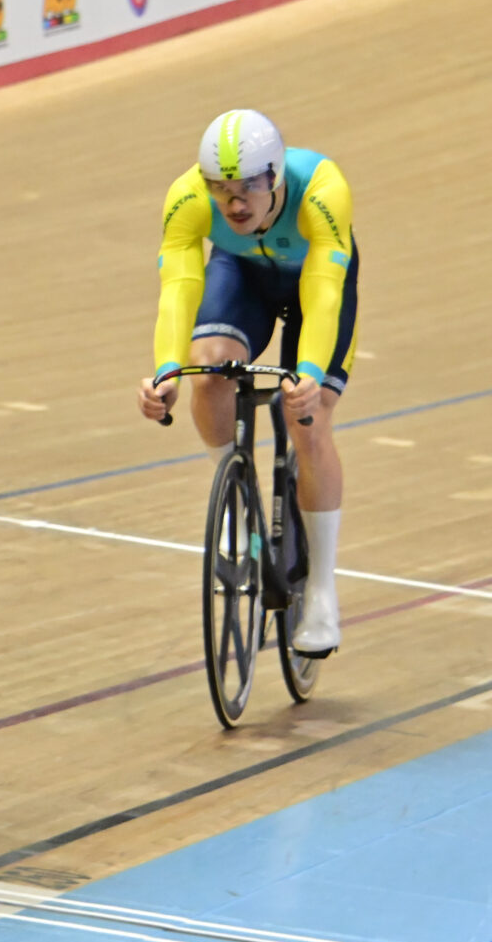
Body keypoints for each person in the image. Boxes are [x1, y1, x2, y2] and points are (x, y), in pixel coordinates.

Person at [135, 109, 355, 656]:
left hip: (313, 283)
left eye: (249, 188)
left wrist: (309, 375)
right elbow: (179, 288)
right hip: (242, 276)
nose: (234, 204)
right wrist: (166, 370)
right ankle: (235, 496)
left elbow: (325, 292)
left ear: (275, 177)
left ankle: (321, 592)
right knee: (208, 370)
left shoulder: (322, 189)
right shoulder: (187, 198)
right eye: (222, 189)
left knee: (308, 420)